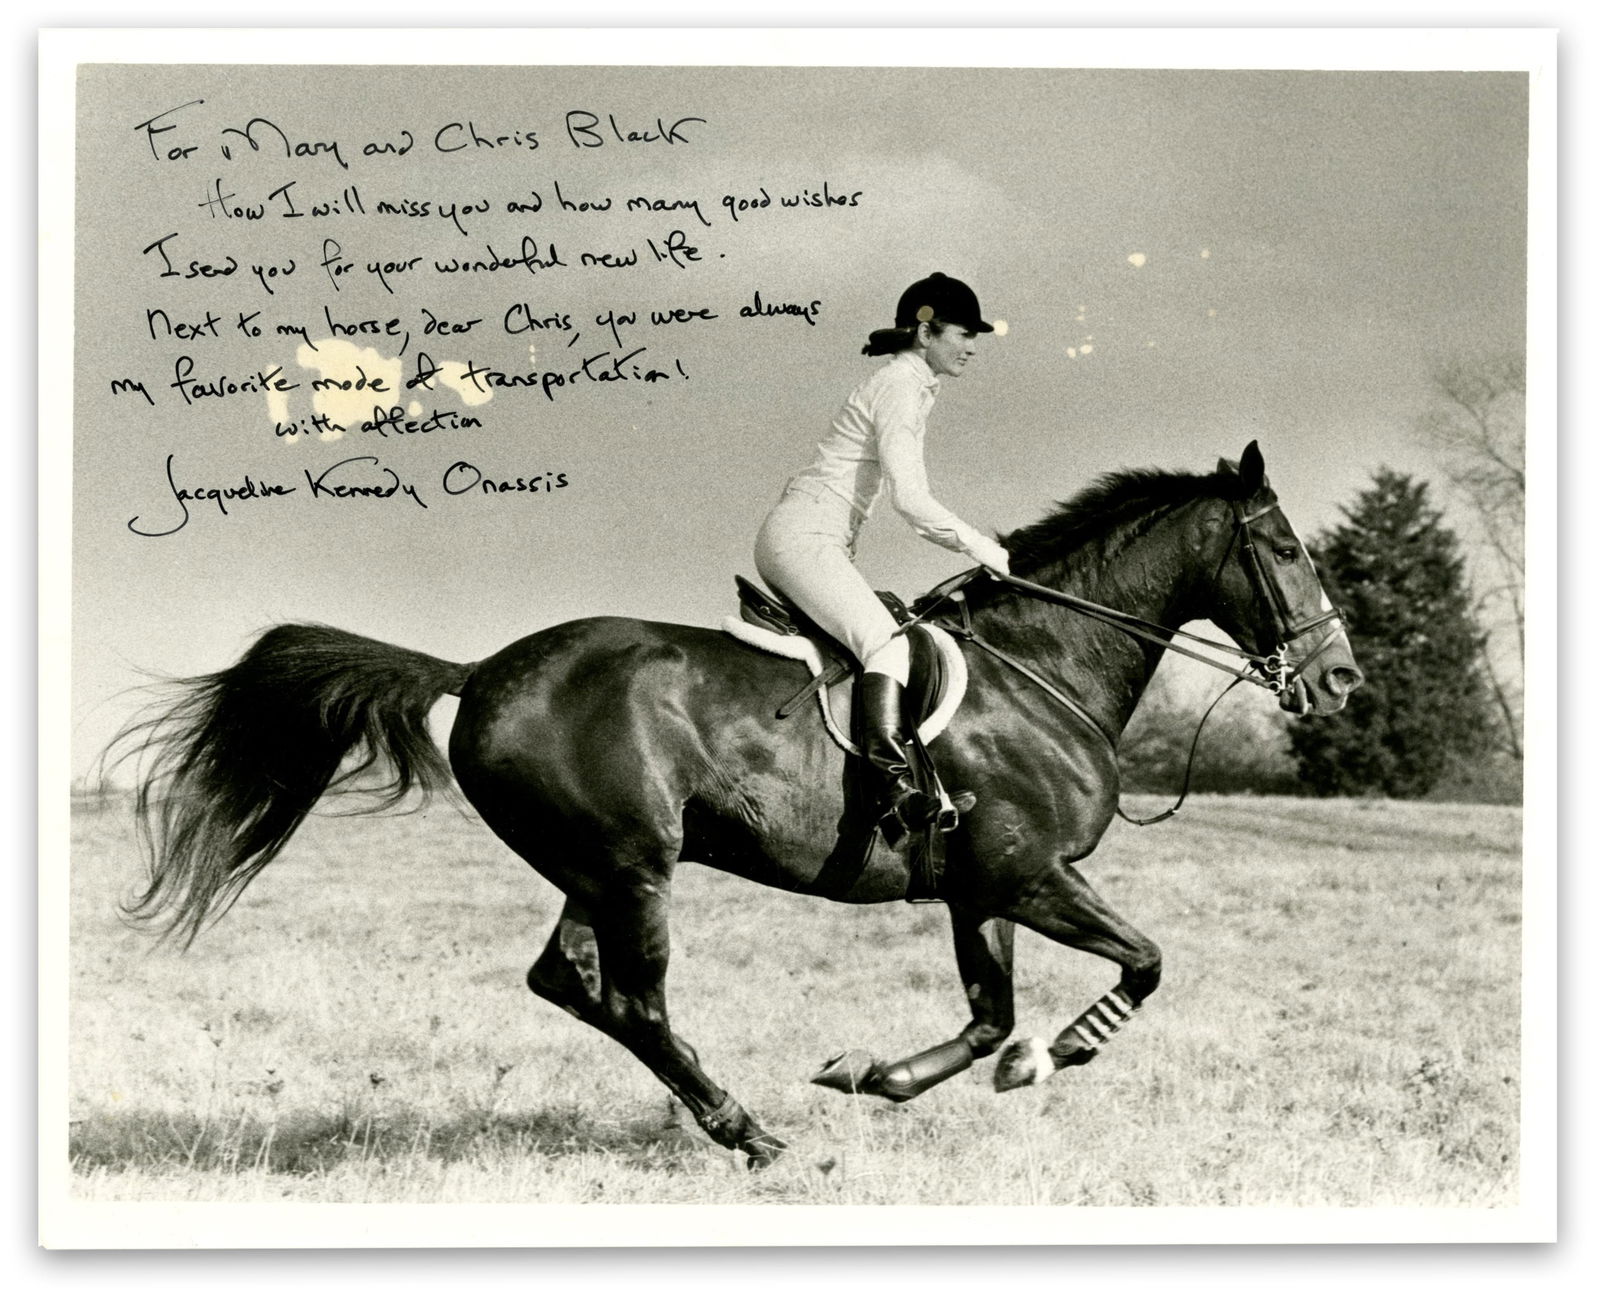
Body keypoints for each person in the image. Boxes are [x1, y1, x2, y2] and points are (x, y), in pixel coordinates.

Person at [754, 272, 1011, 836]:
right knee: (887, 647)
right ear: (926, 332)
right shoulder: (899, 385)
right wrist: (983, 547)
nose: (972, 347)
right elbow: (912, 501)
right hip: (805, 538)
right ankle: (891, 789)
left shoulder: (910, 385)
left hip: (816, 537)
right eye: (964, 333)